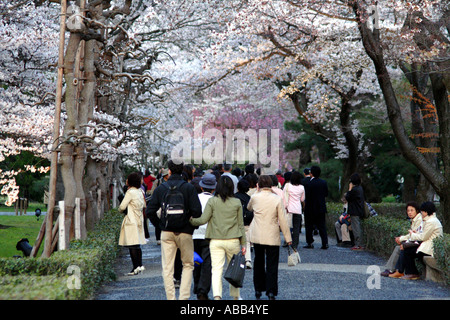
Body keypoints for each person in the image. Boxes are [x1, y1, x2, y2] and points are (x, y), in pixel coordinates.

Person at [146, 160, 202, 300]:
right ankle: (184, 298)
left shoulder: (161, 188)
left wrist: (160, 225)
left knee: (167, 268)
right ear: (182, 170)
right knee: (188, 265)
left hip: (167, 232)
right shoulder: (188, 188)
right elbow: (197, 212)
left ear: (169, 171)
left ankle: (171, 298)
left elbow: (150, 211)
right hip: (185, 232)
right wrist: (190, 226)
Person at [190, 175, 246, 300]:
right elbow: (240, 225)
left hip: (215, 241)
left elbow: (203, 219)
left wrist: (191, 221)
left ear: (217, 187)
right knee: (234, 269)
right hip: (233, 240)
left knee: (216, 270)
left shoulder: (213, 201)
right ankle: (235, 296)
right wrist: (244, 244)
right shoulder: (237, 202)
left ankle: (217, 296)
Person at [247, 175, 292, 300]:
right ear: (271, 185)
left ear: (259, 185)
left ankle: (258, 289)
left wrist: (257, 191)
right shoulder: (277, 199)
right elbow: (282, 220)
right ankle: (271, 291)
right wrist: (288, 238)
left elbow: (248, 208)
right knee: (272, 264)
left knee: (258, 262)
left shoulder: (255, 197)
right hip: (272, 234)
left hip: (258, 235)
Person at [401, 201, 443, 280]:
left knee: (408, 251)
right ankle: (411, 272)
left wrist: (412, 234)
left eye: (422, 211)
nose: (421, 213)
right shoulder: (430, 220)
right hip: (427, 245)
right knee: (408, 250)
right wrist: (416, 233)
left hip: (429, 247)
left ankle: (413, 273)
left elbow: (423, 237)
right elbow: (424, 234)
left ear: (426, 212)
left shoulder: (431, 222)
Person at [380, 201, 422, 278]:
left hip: (420, 244)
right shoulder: (415, 219)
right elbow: (412, 235)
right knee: (399, 247)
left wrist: (401, 238)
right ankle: (392, 269)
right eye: (408, 210)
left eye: (412, 210)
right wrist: (401, 238)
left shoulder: (419, 220)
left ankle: (397, 270)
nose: (409, 212)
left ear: (417, 210)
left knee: (402, 248)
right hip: (417, 242)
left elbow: (414, 235)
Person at [192, 173, 216, 300]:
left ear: (201, 187)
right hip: (208, 235)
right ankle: (203, 290)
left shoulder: (195, 197)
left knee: (196, 262)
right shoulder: (215, 200)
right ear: (213, 188)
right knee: (207, 263)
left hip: (194, 234)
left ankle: (196, 286)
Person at [118, 172, 147, 276]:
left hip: (131, 220)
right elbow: (144, 204)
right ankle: (140, 265)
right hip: (139, 219)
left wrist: (120, 210)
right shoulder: (140, 191)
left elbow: (122, 207)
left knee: (132, 245)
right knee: (137, 244)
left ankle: (135, 268)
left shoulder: (130, 192)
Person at [303, 165, 329, 249]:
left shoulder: (308, 183)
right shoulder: (323, 182)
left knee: (309, 226)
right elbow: (326, 194)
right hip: (321, 207)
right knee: (322, 226)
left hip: (310, 207)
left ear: (311, 173)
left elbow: (306, 195)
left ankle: (310, 242)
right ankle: (325, 243)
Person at [234, 179, 254, 269]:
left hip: (235, 223)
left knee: (235, 241)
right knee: (247, 242)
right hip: (246, 222)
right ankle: (248, 260)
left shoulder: (234, 197)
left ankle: (235, 260)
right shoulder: (249, 198)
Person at [345, 173, 365, 251]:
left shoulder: (354, 189)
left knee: (356, 228)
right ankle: (358, 244)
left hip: (355, 211)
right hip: (359, 210)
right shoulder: (360, 188)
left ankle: (358, 244)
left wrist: (349, 189)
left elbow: (347, 197)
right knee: (357, 227)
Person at [286, 171, 305, 250]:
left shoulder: (287, 186)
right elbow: (302, 199)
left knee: (288, 226)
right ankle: (295, 245)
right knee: (296, 228)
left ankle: (288, 241)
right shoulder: (302, 187)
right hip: (297, 209)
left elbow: (284, 198)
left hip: (289, 209)